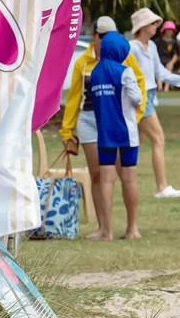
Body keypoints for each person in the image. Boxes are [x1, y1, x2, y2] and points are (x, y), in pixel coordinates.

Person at [61, 15, 146, 238]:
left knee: (122, 173)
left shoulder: (124, 60)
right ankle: (103, 227)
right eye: (105, 36)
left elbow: (140, 85)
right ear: (96, 37)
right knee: (98, 174)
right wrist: (67, 130)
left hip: (117, 119)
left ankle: (131, 226)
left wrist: (135, 117)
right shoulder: (84, 63)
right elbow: (74, 98)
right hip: (90, 119)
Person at [130, 7, 180, 198]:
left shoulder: (151, 47)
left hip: (150, 95)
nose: (156, 26)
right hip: (140, 98)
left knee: (134, 143)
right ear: (143, 26)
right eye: (152, 23)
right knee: (158, 139)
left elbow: (160, 73)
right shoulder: (131, 48)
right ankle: (161, 187)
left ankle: (116, 176)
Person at [88, 31, 144, 241]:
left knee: (106, 179)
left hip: (104, 132)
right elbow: (137, 97)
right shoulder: (125, 71)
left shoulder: (95, 73)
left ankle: (106, 230)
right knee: (129, 178)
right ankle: (132, 229)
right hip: (126, 132)